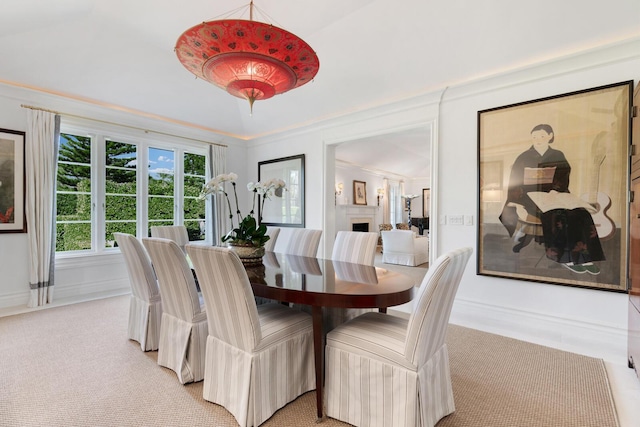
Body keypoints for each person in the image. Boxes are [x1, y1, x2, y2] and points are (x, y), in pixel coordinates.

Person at [499, 124, 605, 275]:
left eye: (542, 136)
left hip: (555, 194)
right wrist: (516, 201)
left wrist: (555, 190)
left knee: (581, 213)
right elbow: (515, 180)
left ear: (550, 136)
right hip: (530, 197)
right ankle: (565, 258)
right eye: (535, 136)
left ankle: (585, 258)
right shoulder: (523, 156)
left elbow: (564, 175)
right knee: (558, 215)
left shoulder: (557, 154)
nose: (538, 139)